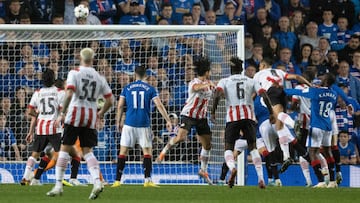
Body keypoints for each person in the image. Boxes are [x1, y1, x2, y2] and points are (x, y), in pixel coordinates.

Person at [46, 48, 113, 200]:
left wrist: (62, 112)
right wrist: (100, 114)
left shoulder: (74, 72)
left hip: (75, 114)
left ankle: (58, 185)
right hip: (90, 116)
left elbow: (69, 93)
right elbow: (110, 100)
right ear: (93, 58)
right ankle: (97, 182)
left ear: (80, 57)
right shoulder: (99, 76)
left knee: (64, 150)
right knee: (87, 151)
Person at [156, 57, 215, 185]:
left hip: (201, 118)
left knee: (207, 145)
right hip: (188, 115)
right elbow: (196, 88)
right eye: (209, 71)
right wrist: (207, 84)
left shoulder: (210, 84)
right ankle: (163, 152)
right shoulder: (194, 82)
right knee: (180, 138)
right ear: (206, 72)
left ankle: (203, 170)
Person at [111, 65, 172, 188]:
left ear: (135, 74)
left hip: (128, 123)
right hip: (144, 124)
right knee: (147, 152)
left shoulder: (126, 88)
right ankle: (147, 180)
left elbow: (120, 106)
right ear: (146, 75)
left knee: (123, 152)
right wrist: (168, 120)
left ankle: (117, 181)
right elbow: (159, 105)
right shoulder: (150, 88)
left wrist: (118, 121)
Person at [211, 57, 265, 188]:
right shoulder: (251, 81)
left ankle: (232, 168)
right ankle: (261, 179)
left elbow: (217, 94)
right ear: (241, 69)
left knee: (228, 148)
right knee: (253, 147)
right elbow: (264, 94)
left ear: (230, 68)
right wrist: (272, 112)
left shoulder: (225, 81)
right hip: (249, 117)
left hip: (232, 118)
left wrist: (213, 111)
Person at [253, 58, 312, 173]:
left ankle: (293, 123)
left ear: (263, 64)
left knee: (278, 116)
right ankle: (286, 157)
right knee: (279, 126)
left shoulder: (258, 74)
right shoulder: (279, 71)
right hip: (282, 92)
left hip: (270, 92)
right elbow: (296, 77)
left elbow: (255, 91)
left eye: (260, 65)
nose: (259, 68)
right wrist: (310, 85)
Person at [284, 73, 338, 188]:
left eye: (323, 77)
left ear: (326, 81)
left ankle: (321, 181)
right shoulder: (334, 94)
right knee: (328, 152)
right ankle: (332, 181)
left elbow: (296, 92)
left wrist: (282, 90)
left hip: (317, 125)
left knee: (312, 152)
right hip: (328, 126)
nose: (320, 78)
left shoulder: (315, 91)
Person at [20, 69, 64, 186]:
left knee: (36, 154)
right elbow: (64, 110)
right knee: (61, 155)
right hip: (54, 128)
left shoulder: (38, 92)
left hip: (40, 129)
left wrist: (32, 129)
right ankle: (59, 181)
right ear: (54, 78)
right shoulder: (59, 92)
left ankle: (27, 177)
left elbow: (30, 111)